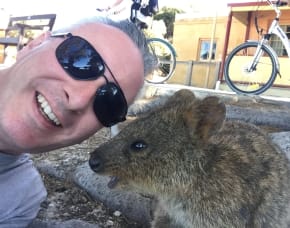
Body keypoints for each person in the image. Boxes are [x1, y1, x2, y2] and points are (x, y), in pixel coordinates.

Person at [0, 15, 156, 227]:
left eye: (109, 104)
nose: (78, 100)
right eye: (81, 59)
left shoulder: (21, 201)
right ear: (34, 44)